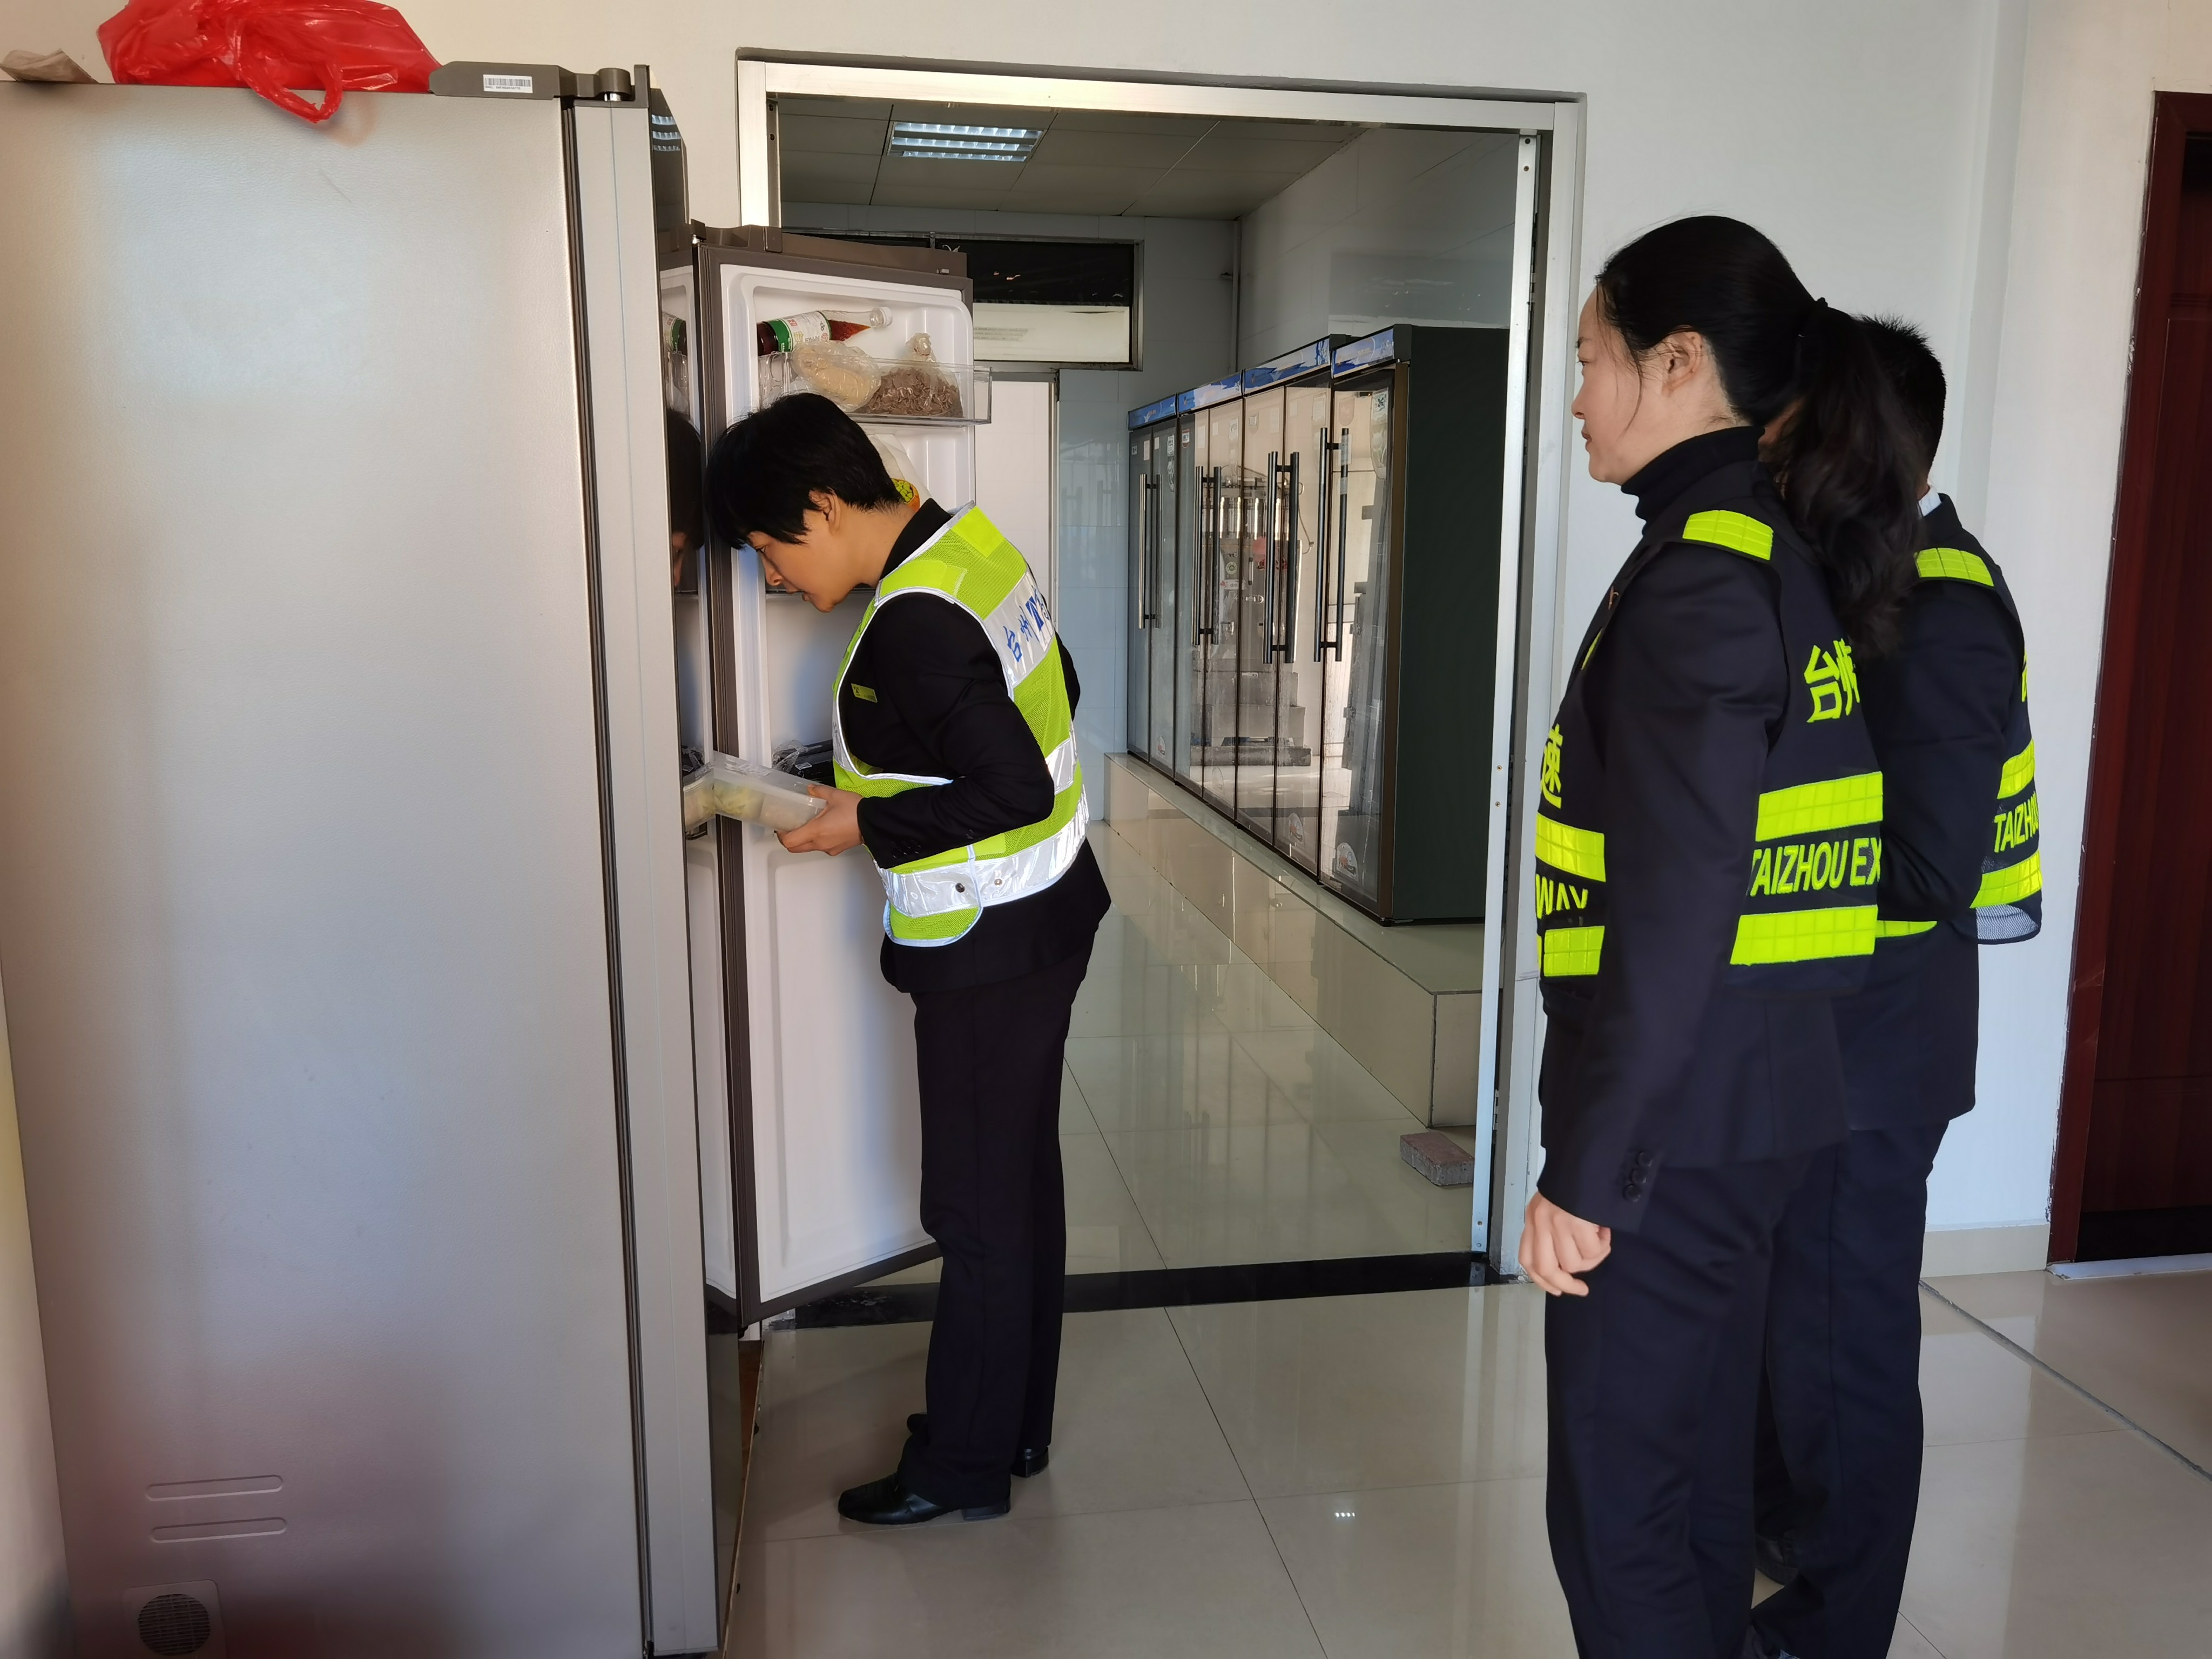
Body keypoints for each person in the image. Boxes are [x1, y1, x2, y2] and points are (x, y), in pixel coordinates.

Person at [1520, 216, 1922, 1659]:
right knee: (1688, 1489)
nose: (1577, 396)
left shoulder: (1700, 576)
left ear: (1678, 362)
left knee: (1618, 1510)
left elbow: (1676, 913)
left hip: (1675, 1137)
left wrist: (1589, 1173)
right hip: (1755, 1107)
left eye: (1591, 359)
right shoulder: (1772, 552)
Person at [704, 393, 1110, 1526]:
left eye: (772, 549)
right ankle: (1016, 1424)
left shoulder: (911, 625)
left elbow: (1008, 785)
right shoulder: (969, 548)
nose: (775, 576)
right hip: (1050, 912)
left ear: (824, 506)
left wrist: (861, 823)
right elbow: (1056, 692)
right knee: (1020, 1183)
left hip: (988, 948)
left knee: (973, 1209)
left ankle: (962, 1466)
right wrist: (869, 786)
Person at [1748, 320, 2039, 1659]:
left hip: (1870, 1062)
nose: (1766, 449)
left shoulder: (1948, 608)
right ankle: (1781, 1544)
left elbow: (1923, 867)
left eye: (1785, 424)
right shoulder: (1859, 579)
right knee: (1786, 1337)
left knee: (1839, 1354)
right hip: (1814, 1042)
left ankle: (1834, 1627)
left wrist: (1733, 873)